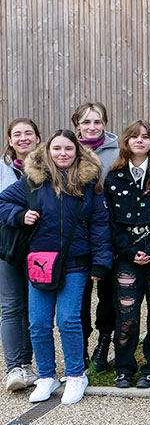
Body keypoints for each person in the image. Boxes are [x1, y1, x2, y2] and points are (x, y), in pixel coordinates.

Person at [0, 130, 112, 404]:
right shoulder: (32, 181)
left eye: (69, 149)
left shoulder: (89, 183)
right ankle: (47, 375)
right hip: (40, 262)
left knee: (68, 320)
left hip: (77, 261)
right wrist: (18, 215)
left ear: (77, 152)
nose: (63, 154)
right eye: (57, 149)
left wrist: (101, 262)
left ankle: (76, 375)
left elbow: (99, 224)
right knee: (38, 323)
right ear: (48, 151)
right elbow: (2, 203)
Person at [105, 121, 150, 388]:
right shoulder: (114, 178)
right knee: (127, 315)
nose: (139, 141)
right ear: (126, 142)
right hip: (127, 257)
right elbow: (111, 222)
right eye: (134, 137)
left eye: (145, 137)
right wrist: (131, 251)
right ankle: (124, 367)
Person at [71, 102, 118, 372]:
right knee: (79, 297)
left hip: (108, 235)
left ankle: (104, 342)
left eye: (97, 122)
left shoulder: (116, 152)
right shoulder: (67, 150)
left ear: (104, 124)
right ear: (77, 125)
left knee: (107, 294)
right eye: (86, 122)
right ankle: (81, 348)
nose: (92, 127)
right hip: (77, 238)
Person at [0, 119, 40, 392]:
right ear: (10, 141)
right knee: (12, 306)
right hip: (8, 246)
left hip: (41, 248)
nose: (23, 138)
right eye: (17, 134)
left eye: (29, 133)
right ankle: (15, 367)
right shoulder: (3, 169)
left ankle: (29, 364)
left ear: (38, 138)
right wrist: (16, 215)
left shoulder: (48, 167)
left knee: (36, 307)